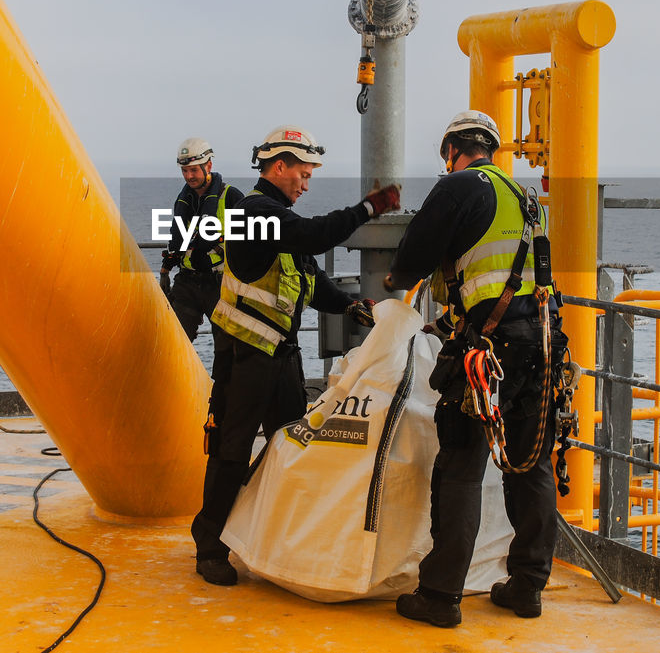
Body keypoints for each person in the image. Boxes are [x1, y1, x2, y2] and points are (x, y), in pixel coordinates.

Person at [191, 124, 401, 586]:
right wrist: (369, 207)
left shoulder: (277, 219)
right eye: (302, 174)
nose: (306, 184)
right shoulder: (254, 213)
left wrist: (348, 304)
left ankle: (268, 536)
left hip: (280, 358)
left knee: (291, 450)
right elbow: (314, 237)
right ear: (278, 167)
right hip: (245, 358)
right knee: (231, 450)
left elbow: (308, 278)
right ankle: (209, 546)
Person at [382, 110, 568, 627]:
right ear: (492, 147)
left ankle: (441, 597)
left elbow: (406, 265)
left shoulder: (460, 186)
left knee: (461, 468)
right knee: (531, 466)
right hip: (542, 347)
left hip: (484, 353)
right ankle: (528, 587)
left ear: (451, 151)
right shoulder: (526, 198)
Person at [160, 138, 244, 349]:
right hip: (187, 282)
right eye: (185, 171)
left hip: (220, 285)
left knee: (228, 349)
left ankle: (223, 383)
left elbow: (248, 239)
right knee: (172, 342)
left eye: (194, 170)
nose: (189, 176)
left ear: (209, 165)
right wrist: (167, 266)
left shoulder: (230, 197)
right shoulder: (184, 201)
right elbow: (178, 237)